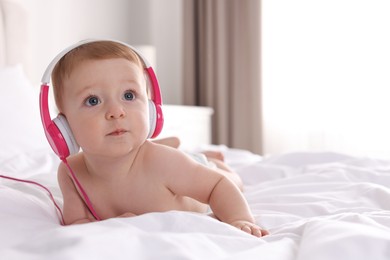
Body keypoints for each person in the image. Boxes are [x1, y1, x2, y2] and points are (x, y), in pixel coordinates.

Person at [52, 40, 268, 237]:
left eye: (129, 95)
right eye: (92, 100)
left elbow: (217, 186)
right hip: (175, 167)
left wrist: (239, 219)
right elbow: (77, 223)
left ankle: (211, 159)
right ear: (64, 125)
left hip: (190, 170)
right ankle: (187, 150)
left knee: (231, 179)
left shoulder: (164, 162)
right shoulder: (71, 173)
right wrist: (113, 225)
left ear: (151, 108)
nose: (116, 111)